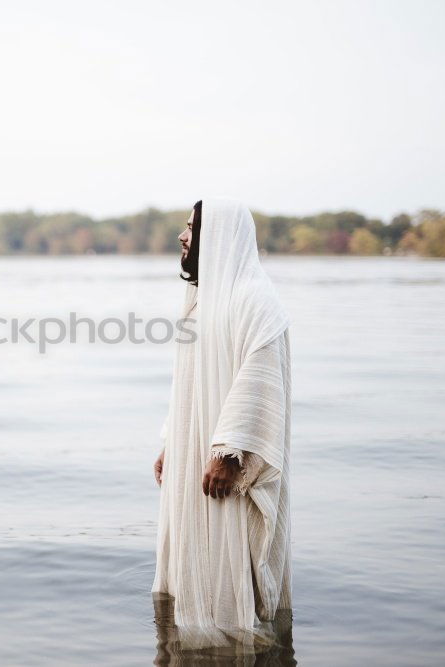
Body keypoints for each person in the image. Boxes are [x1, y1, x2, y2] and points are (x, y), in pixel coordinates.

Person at [151, 198, 293, 654]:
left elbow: (263, 376)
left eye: (192, 227)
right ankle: (189, 647)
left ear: (220, 236)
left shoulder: (255, 298)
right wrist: (172, 441)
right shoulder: (199, 302)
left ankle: (235, 647)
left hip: (227, 464)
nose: (182, 235)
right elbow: (187, 384)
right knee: (192, 566)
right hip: (194, 456)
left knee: (233, 565)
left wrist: (230, 451)